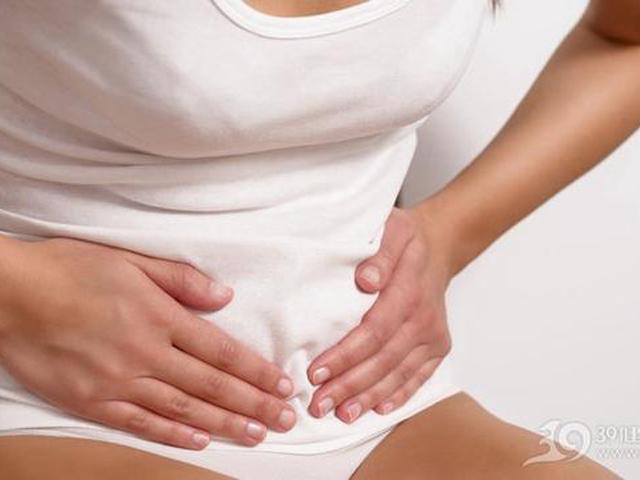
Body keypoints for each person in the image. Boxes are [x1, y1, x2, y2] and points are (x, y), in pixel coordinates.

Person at [0, 0, 636, 478]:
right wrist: (19, 292)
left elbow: (625, 38)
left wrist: (451, 231)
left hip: (376, 412)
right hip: (46, 406)